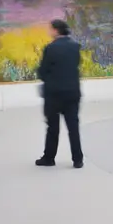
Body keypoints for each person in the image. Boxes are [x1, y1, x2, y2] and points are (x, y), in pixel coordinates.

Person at [35, 19, 84, 168]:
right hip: (72, 92)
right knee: (73, 127)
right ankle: (77, 159)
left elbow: (43, 71)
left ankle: (49, 158)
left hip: (54, 93)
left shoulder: (51, 48)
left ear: (56, 30)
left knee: (52, 127)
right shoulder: (75, 47)